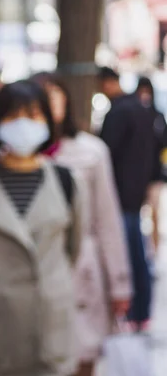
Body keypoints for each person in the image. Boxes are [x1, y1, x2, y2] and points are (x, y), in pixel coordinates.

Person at [0, 80, 86, 376]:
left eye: (33, 115)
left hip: (48, 330)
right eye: (12, 115)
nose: (23, 124)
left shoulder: (66, 182)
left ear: (48, 121)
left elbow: (73, 248)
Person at [34, 73, 132, 376]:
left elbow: (107, 220)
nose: (51, 105)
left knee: (81, 359)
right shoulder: (15, 159)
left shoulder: (91, 152)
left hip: (82, 276)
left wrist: (119, 283)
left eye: (56, 96)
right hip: (34, 277)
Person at [98, 67, 159, 331]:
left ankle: (135, 310)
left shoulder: (120, 112)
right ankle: (140, 310)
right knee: (137, 253)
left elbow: (107, 156)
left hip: (121, 196)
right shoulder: (140, 110)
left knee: (128, 255)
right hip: (134, 193)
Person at [136, 76, 167, 252]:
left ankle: (153, 251)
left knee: (154, 213)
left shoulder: (158, 117)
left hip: (154, 174)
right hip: (138, 175)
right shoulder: (134, 116)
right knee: (138, 216)